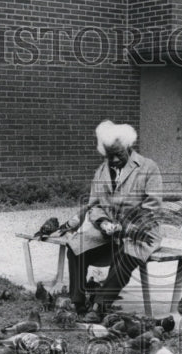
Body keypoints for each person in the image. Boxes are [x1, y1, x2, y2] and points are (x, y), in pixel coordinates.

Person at [61, 120, 163, 314]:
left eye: (118, 154)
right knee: (75, 246)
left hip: (141, 233)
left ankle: (100, 305)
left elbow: (153, 208)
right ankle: (77, 302)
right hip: (109, 233)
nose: (114, 160)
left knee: (126, 253)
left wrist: (125, 227)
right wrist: (103, 222)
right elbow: (94, 205)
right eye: (109, 156)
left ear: (128, 147)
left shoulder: (149, 168)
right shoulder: (100, 172)